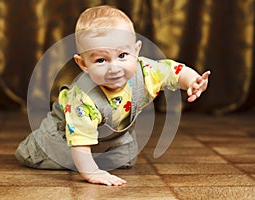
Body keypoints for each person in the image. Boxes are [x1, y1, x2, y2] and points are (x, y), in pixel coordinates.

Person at [15, 5, 210, 186]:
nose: (114, 68)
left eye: (122, 55)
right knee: (45, 155)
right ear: (83, 64)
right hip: (64, 133)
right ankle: (39, 148)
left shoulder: (147, 71)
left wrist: (192, 81)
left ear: (136, 50)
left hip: (109, 134)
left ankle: (97, 156)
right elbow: (80, 143)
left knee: (126, 158)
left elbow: (174, 71)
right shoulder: (83, 98)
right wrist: (92, 173)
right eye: (101, 60)